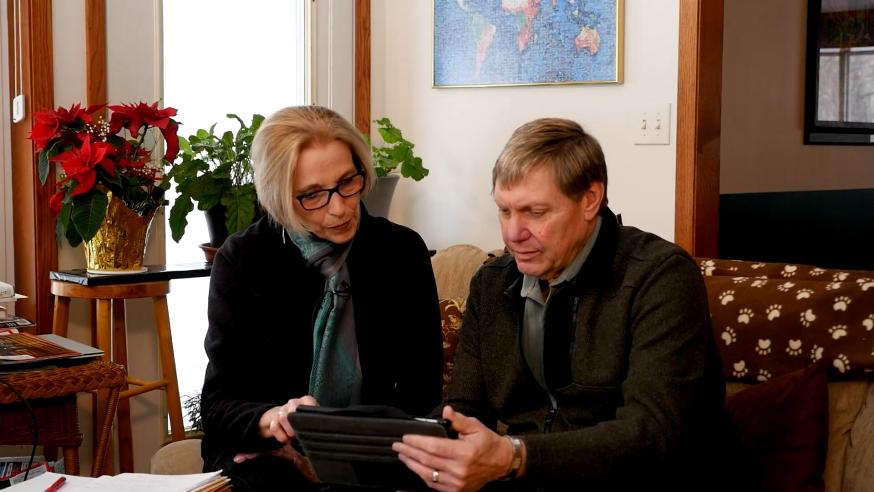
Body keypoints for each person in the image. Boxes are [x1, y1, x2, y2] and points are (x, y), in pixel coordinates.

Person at [393, 118, 726, 491]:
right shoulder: (492, 282)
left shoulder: (661, 277)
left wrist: (514, 456)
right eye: (505, 211)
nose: (513, 234)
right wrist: (413, 445)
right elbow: (466, 408)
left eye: (534, 212)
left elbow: (650, 434)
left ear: (589, 200)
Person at [200, 105, 444, 491]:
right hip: (268, 451)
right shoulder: (244, 259)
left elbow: (423, 394)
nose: (340, 207)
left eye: (348, 181)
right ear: (279, 198)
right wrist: (275, 418)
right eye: (313, 195)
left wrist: (340, 454)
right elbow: (218, 406)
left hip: (375, 449)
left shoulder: (401, 252)